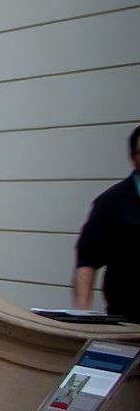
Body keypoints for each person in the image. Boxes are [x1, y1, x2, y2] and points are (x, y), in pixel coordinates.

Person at [73, 125, 140, 318]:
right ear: (133, 158)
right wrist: (82, 314)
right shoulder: (111, 202)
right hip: (129, 321)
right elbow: (87, 260)